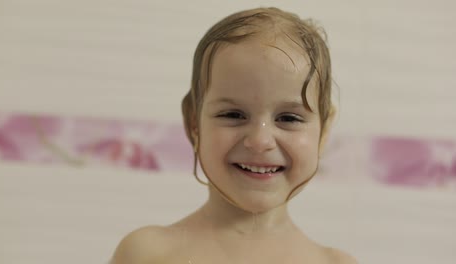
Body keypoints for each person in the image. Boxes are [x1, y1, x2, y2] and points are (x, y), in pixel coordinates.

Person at [111, 7, 357, 264]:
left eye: (288, 118)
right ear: (194, 124)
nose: (260, 141)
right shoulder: (147, 254)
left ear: (324, 130)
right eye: (233, 115)